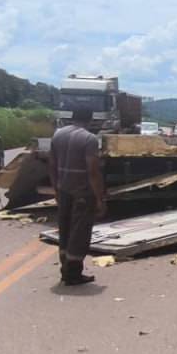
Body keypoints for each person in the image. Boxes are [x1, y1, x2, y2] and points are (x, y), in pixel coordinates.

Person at [49, 108, 106, 285]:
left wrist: (56, 189)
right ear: (90, 120)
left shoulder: (58, 135)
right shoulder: (89, 139)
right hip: (82, 192)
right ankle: (73, 273)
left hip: (63, 190)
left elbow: (52, 164)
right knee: (79, 232)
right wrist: (100, 198)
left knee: (65, 229)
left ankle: (65, 269)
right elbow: (93, 171)